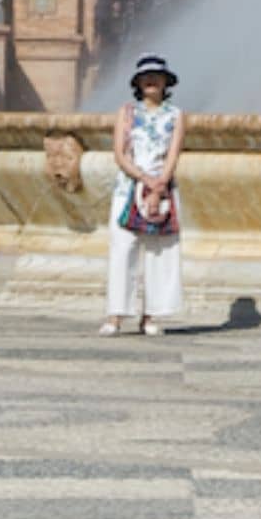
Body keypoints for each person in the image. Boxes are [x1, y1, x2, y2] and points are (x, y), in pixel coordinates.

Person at [103, 55, 188, 338]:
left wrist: (159, 185)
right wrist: (144, 179)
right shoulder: (127, 112)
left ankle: (150, 316)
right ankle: (115, 315)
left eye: (157, 76)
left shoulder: (176, 115)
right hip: (128, 188)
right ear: (138, 83)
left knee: (158, 251)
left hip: (162, 191)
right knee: (122, 249)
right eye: (146, 77)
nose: (151, 81)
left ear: (166, 82)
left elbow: (173, 154)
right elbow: (120, 153)